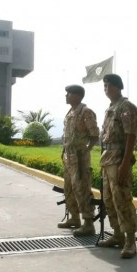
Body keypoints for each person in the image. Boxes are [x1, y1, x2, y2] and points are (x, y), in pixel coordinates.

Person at [96, 74, 137, 258]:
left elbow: (130, 135)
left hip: (118, 159)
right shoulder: (111, 108)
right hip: (107, 159)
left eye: (108, 85)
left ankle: (130, 241)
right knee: (109, 199)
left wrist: (125, 163)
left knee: (122, 199)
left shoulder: (125, 107)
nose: (105, 88)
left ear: (117, 87)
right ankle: (117, 235)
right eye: (104, 85)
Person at [58, 84, 100, 236]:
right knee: (69, 189)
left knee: (82, 189)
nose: (66, 96)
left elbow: (95, 135)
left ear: (77, 96)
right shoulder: (70, 112)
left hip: (80, 158)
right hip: (69, 157)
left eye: (68, 94)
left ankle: (88, 223)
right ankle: (74, 218)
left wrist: (86, 150)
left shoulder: (85, 112)